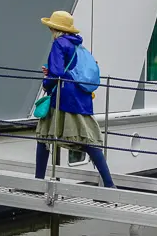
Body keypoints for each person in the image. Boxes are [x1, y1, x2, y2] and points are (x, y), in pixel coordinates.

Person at [35, 10, 115, 188]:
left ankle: (38, 182)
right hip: (81, 97)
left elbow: (56, 73)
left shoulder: (59, 44)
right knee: (88, 140)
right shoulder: (78, 45)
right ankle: (109, 184)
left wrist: (46, 83)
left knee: (43, 135)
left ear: (56, 29)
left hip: (63, 97)